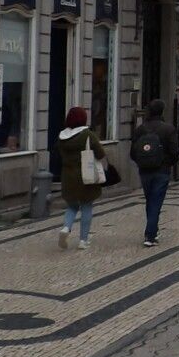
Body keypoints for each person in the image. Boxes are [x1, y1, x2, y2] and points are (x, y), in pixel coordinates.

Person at [56, 106, 107, 251]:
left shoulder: (62, 137)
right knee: (86, 206)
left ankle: (66, 228)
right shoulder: (88, 135)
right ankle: (83, 240)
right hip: (86, 175)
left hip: (68, 176)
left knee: (72, 206)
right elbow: (100, 153)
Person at [130, 98, 179, 246]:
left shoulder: (140, 129)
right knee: (156, 201)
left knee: (150, 200)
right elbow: (175, 151)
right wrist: (168, 163)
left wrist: (141, 162)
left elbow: (133, 152)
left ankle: (153, 230)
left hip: (145, 171)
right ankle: (150, 235)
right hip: (162, 170)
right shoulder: (168, 129)